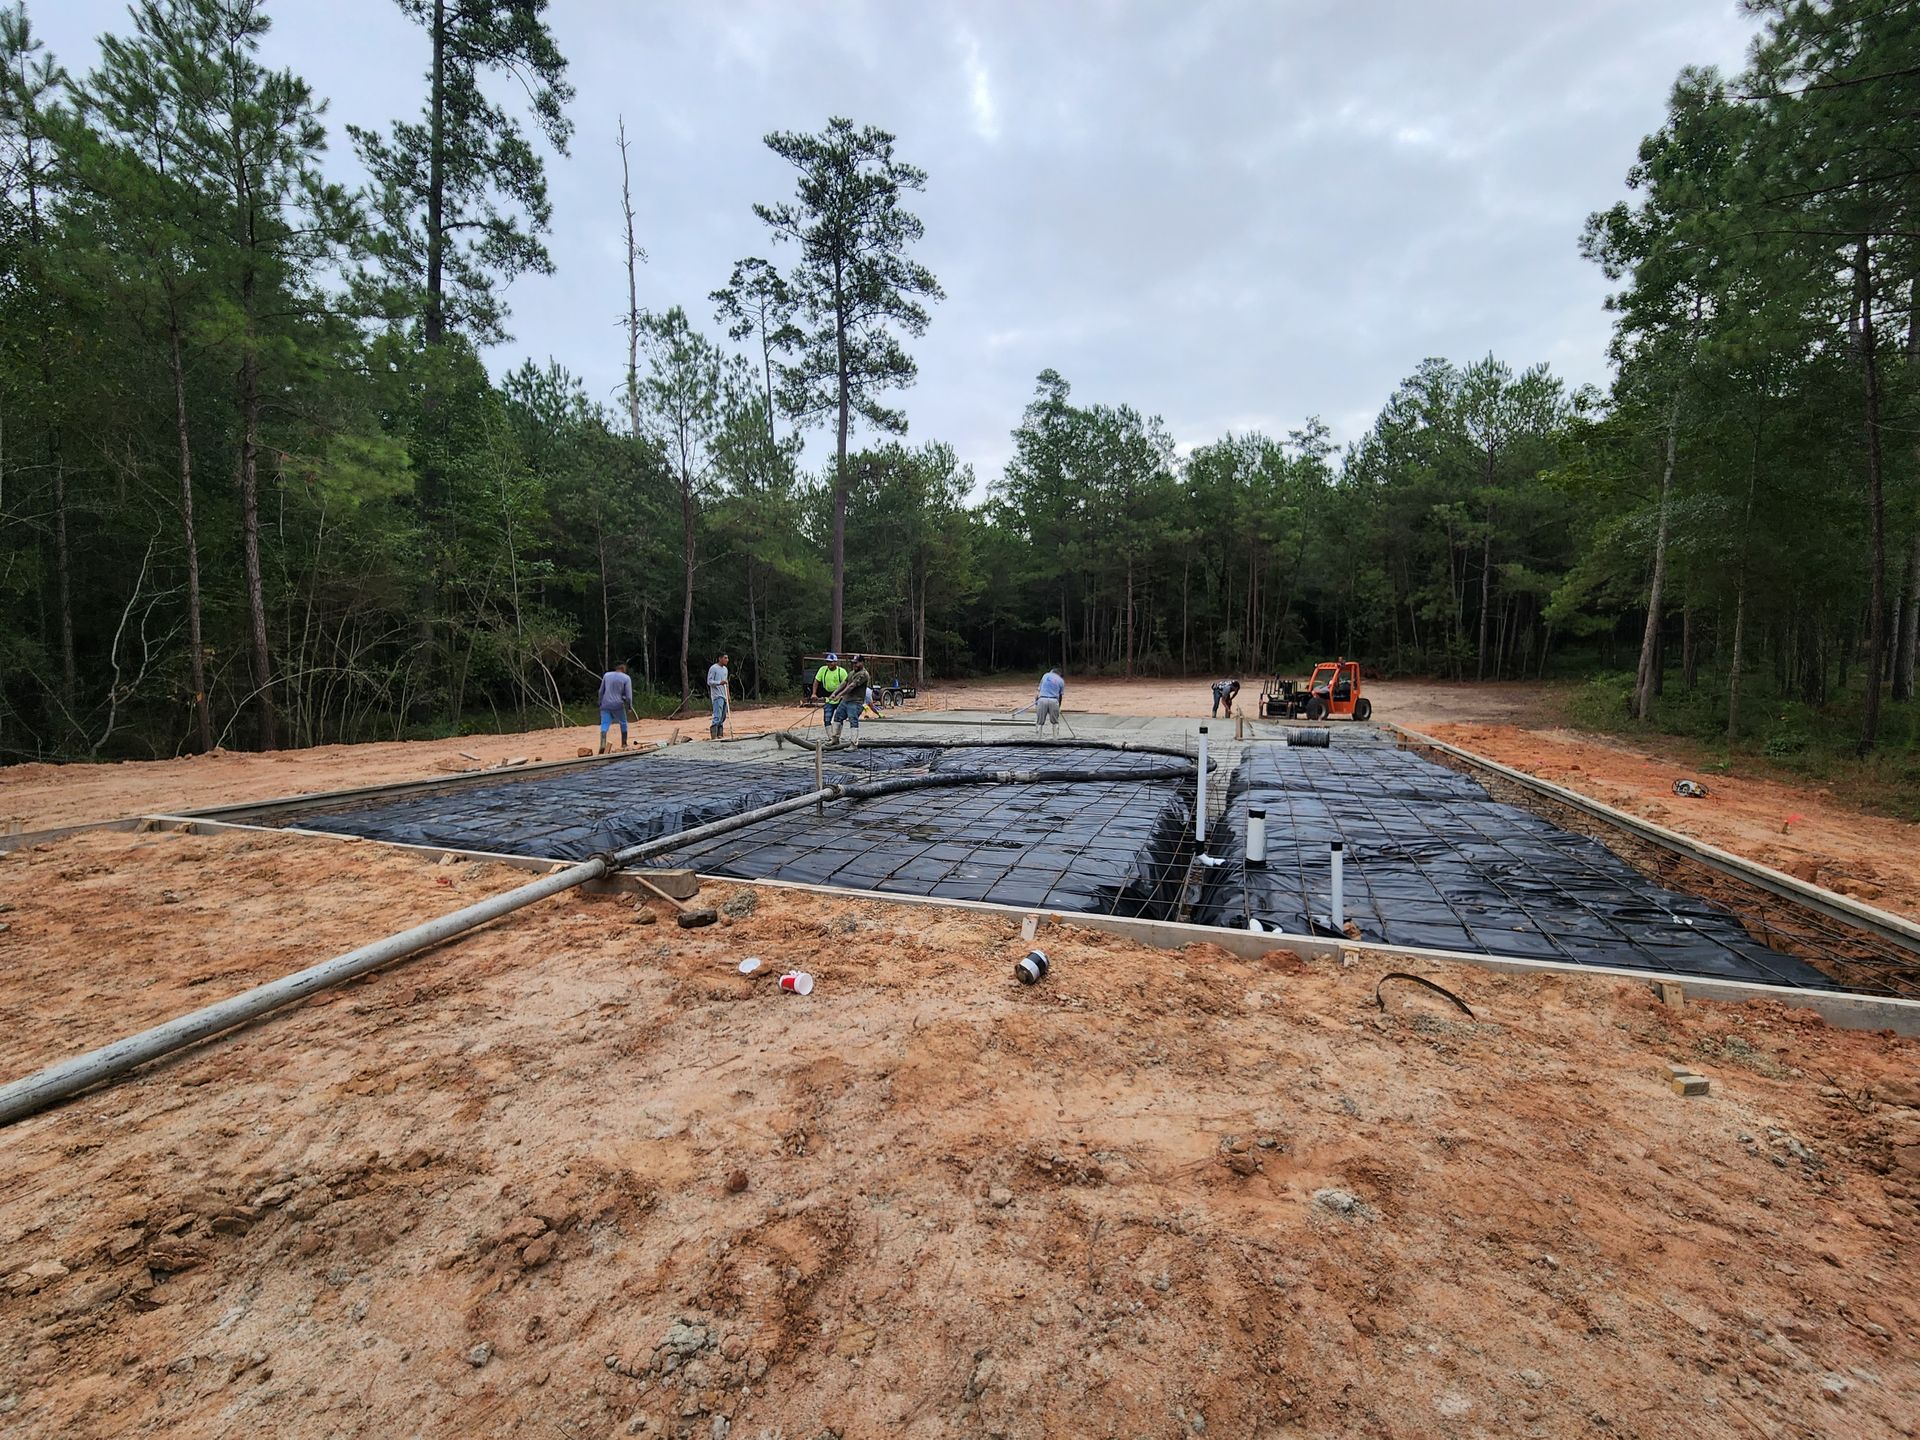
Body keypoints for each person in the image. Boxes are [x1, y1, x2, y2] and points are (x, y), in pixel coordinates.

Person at [827, 653, 872, 747]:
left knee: (853, 720)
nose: (854, 665)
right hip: (846, 701)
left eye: (856, 663)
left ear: (862, 663)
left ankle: (853, 743)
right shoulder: (851, 673)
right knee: (837, 717)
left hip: (855, 702)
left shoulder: (863, 674)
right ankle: (835, 739)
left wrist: (839, 695)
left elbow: (851, 686)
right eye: (853, 663)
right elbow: (844, 683)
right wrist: (834, 693)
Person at [597, 662, 634, 753]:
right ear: (624, 670)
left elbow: (601, 691)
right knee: (623, 722)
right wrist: (629, 706)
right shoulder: (626, 678)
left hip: (605, 704)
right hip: (618, 705)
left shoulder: (607, 675)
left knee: (604, 723)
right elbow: (628, 696)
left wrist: (600, 702)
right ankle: (624, 743)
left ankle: (602, 743)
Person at [812, 652, 847, 727]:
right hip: (828, 697)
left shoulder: (842, 671)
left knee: (839, 718)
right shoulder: (823, 670)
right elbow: (816, 681)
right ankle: (830, 736)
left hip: (840, 697)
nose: (829, 664)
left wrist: (842, 695)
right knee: (827, 718)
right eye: (827, 662)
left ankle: (836, 735)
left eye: (831, 662)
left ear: (836, 662)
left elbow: (847, 685)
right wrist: (814, 693)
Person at [1035, 666, 1065, 738]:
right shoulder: (1061, 680)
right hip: (1054, 701)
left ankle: (1038, 739)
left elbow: (1039, 690)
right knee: (1055, 721)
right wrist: (1059, 706)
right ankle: (1055, 739)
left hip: (1042, 700)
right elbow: (1060, 695)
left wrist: (1036, 700)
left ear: (1052, 671)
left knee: (1040, 721)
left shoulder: (1045, 675)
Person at [706, 651, 730, 739]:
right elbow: (709, 681)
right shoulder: (714, 668)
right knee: (717, 715)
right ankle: (714, 735)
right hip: (717, 695)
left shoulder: (725, 669)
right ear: (720, 658)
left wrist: (728, 695)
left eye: (727, 658)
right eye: (725, 658)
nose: (727, 660)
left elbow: (726, 682)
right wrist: (719, 683)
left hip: (724, 695)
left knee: (723, 716)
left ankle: (720, 734)